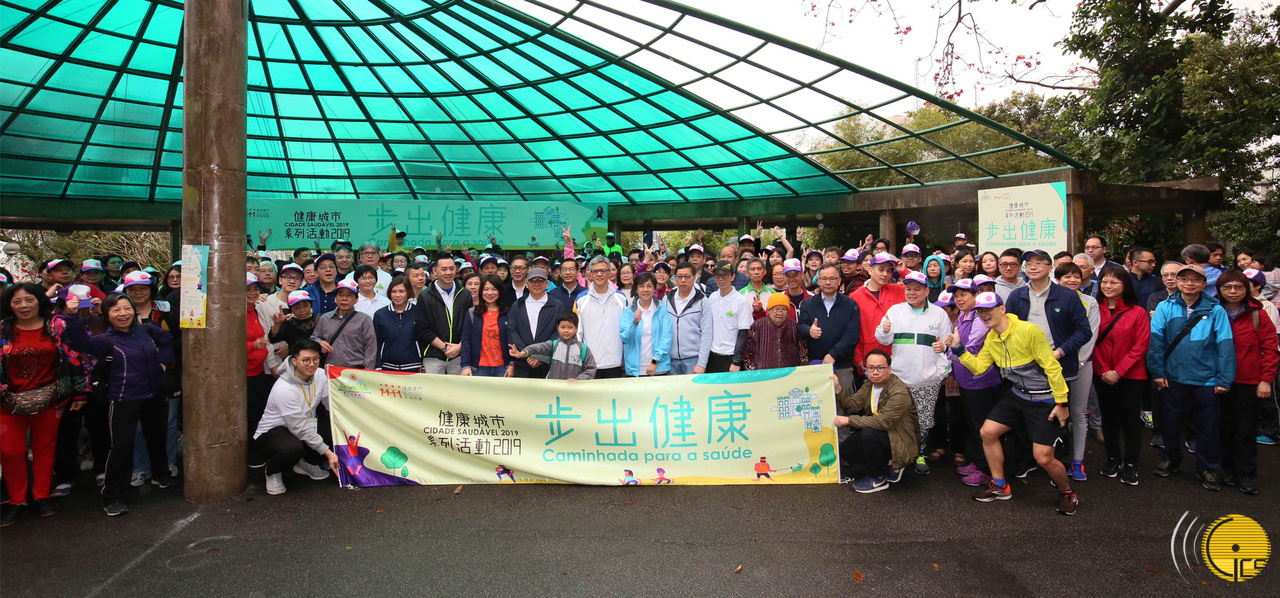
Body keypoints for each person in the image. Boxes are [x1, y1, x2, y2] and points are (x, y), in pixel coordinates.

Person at [946, 292, 1077, 515]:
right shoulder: (992, 338)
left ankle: (1067, 492)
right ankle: (1000, 485)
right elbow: (978, 368)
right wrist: (959, 349)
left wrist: (1062, 403)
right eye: (980, 311)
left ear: (1002, 309)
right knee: (987, 432)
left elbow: (1052, 367)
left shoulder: (1029, 331)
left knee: (1043, 458)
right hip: (1018, 395)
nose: (984, 314)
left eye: (988, 309)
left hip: (1044, 398)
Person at [61, 292, 173, 517]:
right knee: (121, 447)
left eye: (127, 308)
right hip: (124, 399)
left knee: (157, 436)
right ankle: (112, 496)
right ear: (106, 315)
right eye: (116, 310)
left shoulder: (146, 330)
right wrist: (72, 316)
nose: (123, 314)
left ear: (134, 310)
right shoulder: (106, 340)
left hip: (154, 395)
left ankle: (161, 475)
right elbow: (80, 342)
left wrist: (163, 362)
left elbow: (167, 340)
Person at [0, 285, 86, 525]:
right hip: (8, 403)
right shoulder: (3, 329)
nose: (24, 306)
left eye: (29, 300)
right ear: (10, 305)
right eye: (17, 301)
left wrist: (80, 392)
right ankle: (17, 501)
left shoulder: (57, 326)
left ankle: (41, 497)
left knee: (45, 448)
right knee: (10, 452)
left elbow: (74, 357)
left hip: (50, 399)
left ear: (39, 301)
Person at [1148, 263, 1235, 491]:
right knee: (1171, 423)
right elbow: (1156, 342)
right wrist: (1158, 372)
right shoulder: (1165, 307)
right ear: (1177, 282)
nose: (1189, 283)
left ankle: (1207, 467)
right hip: (1173, 377)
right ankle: (1170, 458)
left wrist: (1224, 379)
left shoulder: (1216, 310)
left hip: (1206, 379)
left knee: (1207, 426)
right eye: (1184, 279)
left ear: (1204, 284)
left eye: (1195, 280)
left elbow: (1225, 345)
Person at [875, 270, 953, 474]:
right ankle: (896, 456)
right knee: (895, 419)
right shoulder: (895, 311)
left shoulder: (939, 314)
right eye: (908, 289)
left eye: (917, 289)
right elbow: (883, 339)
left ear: (926, 291)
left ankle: (919, 453)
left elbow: (948, 346)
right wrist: (884, 330)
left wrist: (939, 373)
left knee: (923, 421)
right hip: (899, 379)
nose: (912, 293)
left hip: (927, 380)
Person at [1215, 269, 1277, 495]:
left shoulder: (1258, 315)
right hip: (1218, 380)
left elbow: (1271, 349)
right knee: (1223, 427)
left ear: (1247, 289)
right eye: (1227, 286)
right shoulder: (1213, 311)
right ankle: (1226, 469)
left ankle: (1247, 473)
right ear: (1219, 289)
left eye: (1239, 286)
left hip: (1249, 381)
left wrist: (1266, 380)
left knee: (1246, 429)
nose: (1233, 291)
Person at [253, 339, 341, 496]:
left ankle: (304, 463)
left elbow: (330, 401)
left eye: (315, 359)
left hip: (304, 425)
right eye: (306, 360)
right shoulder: (284, 388)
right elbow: (298, 428)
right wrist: (328, 453)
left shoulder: (320, 375)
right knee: (291, 448)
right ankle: (273, 471)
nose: (311, 364)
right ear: (294, 361)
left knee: (333, 430)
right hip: (274, 432)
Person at [1092, 265, 1150, 486]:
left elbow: (1141, 345)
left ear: (1125, 285)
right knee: (1108, 418)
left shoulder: (1138, 312)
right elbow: (1090, 342)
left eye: (1114, 282)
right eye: (1104, 282)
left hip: (1132, 375)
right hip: (1102, 374)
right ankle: (1112, 459)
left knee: (1131, 419)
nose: (1108, 286)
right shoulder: (1094, 309)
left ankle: (1132, 462)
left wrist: (1119, 371)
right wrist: (1103, 370)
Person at [832, 350, 919, 493]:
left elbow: (881, 422)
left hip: (900, 440)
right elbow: (852, 406)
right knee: (846, 451)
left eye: (880, 368)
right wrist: (838, 389)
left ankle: (878, 478)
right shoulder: (869, 385)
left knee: (869, 432)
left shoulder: (899, 391)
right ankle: (889, 464)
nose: (875, 372)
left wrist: (848, 420)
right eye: (871, 368)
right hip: (882, 435)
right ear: (866, 369)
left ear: (889, 369)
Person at [946, 279, 1005, 487]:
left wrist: (950, 351)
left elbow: (970, 346)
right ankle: (979, 462)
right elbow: (956, 347)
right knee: (974, 425)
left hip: (982, 382)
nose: (959, 299)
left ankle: (986, 470)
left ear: (975, 296)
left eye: (964, 295)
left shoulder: (979, 318)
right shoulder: (962, 317)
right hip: (966, 381)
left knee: (984, 428)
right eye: (956, 296)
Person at [1053, 261, 1100, 481]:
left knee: (1079, 412)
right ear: (1058, 280)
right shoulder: (1051, 301)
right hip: (1054, 365)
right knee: (1055, 412)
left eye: (1076, 276)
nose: (1072, 280)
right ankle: (1055, 459)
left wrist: (1077, 364)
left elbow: (1090, 336)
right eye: (1067, 277)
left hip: (1082, 364)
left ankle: (1078, 460)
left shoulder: (1090, 302)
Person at [798, 263, 861, 392]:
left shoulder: (850, 304)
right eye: (824, 279)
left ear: (839, 281)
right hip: (817, 364)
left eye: (832, 278)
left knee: (844, 400)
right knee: (818, 400)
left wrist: (834, 354)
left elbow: (852, 335)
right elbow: (801, 326)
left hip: (842, 365)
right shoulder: (808, 304)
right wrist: (809, 331)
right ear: (818, 280)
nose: (828, 282)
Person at [850, 253, 905, 376]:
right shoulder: (855, 297)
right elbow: (851, 330)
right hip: (868, 358)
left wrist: (903, 271)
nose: (885, 274)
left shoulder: (898, 290)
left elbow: (921, 289)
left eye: (889, 271)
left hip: (896, 358)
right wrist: (857, 356)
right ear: (870, 270)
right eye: (881, 269)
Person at [415, 254, 471, 375]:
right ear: (435, 271)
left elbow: (470, 324)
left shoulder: (465, 294)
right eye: (444, 269)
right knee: (434, 387)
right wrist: (444, 348)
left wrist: (459, 347)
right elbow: (422, 328)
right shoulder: (425, 296)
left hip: (459, 355)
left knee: (457, 387)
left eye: (452, 268)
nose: (448, 272)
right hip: (433, 356)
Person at [574, 256, 628, 379]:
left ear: (609, 273)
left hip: (615, 361)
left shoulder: (621, 298)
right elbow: (577, 332)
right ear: (590, 274)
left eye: (603, 271)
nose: (599, 274)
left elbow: (626, 330)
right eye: (595, 271)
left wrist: (625, 356)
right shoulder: (581, 300)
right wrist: (580, 358)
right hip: (591, 363)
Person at [507, 268, 563, 379]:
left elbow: (559, 333)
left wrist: (541, 356)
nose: (537, 284)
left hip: (547, 365)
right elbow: (512, 331)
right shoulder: (517, 305)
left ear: (547, 284)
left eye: (541, 280)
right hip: (522, 364)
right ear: (526, 284)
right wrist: (527, 353)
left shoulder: (557, 306)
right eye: (533, 280)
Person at [508, 312, 597, 381]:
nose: (566, 330)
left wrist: (578, 379)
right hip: (554, 391)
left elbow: (591, 369)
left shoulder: (583, 349)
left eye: (570, 327)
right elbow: (538, 348)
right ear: (558, 328)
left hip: (574, 391)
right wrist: (522, 353)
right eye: (563, 327)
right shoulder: (553, 345)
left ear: (576, 329)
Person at [312, 280, 376, 370]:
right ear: (335, 298)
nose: (344, 299)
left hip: (355, 371)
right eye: (341, 295)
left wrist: (368, 371)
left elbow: (371, 348)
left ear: (356, 299)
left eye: (349, 295)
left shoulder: (364, 320)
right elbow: (313, 338)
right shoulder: (325, 318)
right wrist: (319, 343)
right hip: (330, 370)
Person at [705, 260, 754, 373]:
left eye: (725, 275)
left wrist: (736, 361)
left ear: (732, 277)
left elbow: (743, 332)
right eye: (717, 275)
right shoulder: (712, 297)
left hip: (731, 356)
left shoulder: (741, 301)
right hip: (713, 355)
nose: (721, 279)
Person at [460, 275, 514, 378]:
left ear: (499, 291)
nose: (490, 293)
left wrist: (512, 364)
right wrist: (465, 366)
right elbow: (466, 340)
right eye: (486, 289)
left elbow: (513, 340)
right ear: (481, 291)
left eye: (494, 289)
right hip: (478, 368)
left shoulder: (507, 314)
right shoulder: (472, 313)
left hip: (503, 368)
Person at [621, 273, 672, 377]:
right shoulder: (629, 311)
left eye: (649, 286)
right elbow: (625, 338)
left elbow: (666, 337)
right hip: (634, 369)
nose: (645, 290)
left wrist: (655, 361)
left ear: (654, 288)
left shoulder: (662, 310)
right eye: (641, 286)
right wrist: (634, 322)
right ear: (636, 289)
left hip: (658, 368)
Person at [666, 263, 712, 376]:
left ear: (694, 278)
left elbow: (707, 334)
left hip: (693, 360)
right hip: (670, 360)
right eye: (679, 276)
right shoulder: (667, 299)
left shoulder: (702, 301)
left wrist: (702, 363)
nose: (683, 280)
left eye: (687, 276)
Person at [744, 293, 806, 370]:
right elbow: (748, 353)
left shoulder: (794, 326)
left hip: (789, 373)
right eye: (776, 309)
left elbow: (803, 353)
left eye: (783, 309)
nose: (780, 313)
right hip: (763, 373)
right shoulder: (757, 326)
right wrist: (753, 372)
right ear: (769, 310)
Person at [373, 277, 421, 373]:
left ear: (408, 292)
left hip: (414, 366)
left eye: (401, 291)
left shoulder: (418, 312)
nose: (397, 295)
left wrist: (423, 364)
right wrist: (378, 365)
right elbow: (376, 342)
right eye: (394, 291)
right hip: (387, 367)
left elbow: (424, 339)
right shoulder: (380, 315)